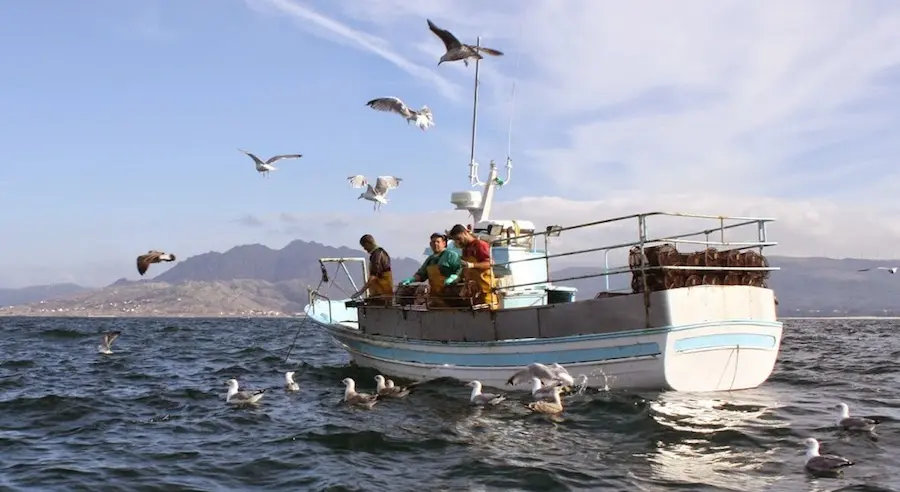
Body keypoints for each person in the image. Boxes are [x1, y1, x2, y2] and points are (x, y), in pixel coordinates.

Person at [398, 233, 462, 307]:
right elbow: (422, 274)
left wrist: (453, 277)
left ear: (444, 243)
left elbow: (460, 269)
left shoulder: (451, 255)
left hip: (450, 296)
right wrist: (411, 280)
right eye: (433, 242)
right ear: (430, 244)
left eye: (438, 242)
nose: (435, 244)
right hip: (435, 296)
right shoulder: (430, 259)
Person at [448, 223, 498, 309]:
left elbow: (490, 263)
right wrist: (458, 278)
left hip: (485, 290)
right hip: (473, 292)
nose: (458, 242)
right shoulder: (465, 249)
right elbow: (465, 268)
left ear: (465, 233)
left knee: (487, 311)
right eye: (456, 240)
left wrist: (471, 265)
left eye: (459, 239)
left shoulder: (480, 245)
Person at [351, 234, 393, 306]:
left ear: (368, 243)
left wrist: (361, 291)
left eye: (364, 246)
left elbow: (374, 276)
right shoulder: (378, 253)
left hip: (382, 293)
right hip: (380, 293)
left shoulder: (377, 255)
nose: (364, 249)